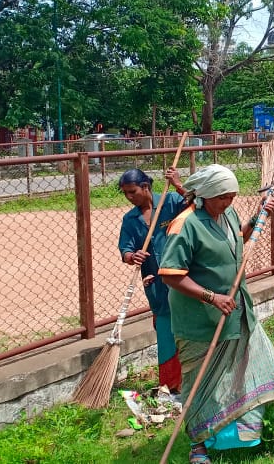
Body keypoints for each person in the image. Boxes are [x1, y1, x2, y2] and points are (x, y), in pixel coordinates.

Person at [158, 164, 274, 464]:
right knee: (200, 383)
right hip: (199, 322)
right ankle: (198, 445)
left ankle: (246, 432)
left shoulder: (226, 214)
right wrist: (211, 297)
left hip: (235, 311)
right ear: (204, 195)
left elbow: (238, 237)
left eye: (231, 196)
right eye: (222, 197)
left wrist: (259, 216)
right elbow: (171, 274)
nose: (228, 202)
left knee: (242, 372)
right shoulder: (185, 224)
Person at [117, 168, 188, 392]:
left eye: (132, 191)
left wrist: (178, 184)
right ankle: (171, 385)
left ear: (145, 187)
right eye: (125, 193)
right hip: (156, 286)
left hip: (184, 278)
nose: (129, 197)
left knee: (189, 328)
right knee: (166, 332)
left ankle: (195, 379)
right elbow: (125, 249)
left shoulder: (172, 201)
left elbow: (199, 207)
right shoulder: (130, 220)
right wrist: (132, 256)